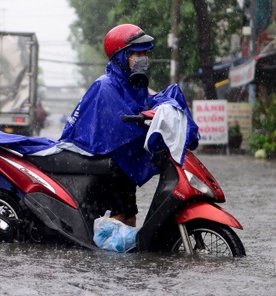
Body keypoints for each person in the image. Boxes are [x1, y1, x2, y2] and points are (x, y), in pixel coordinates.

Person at [59, 24, 199, 226]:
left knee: (130, 216)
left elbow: (145, 105)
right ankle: (108, 257)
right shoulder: (105, 86)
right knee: (118, 216)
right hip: (106, 164)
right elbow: (116, 128)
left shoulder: (134, 84)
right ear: (121, 56)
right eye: (137, 53)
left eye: (144, 53)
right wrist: (143, 120)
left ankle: (128, 256)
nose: (143, 58)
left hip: (124, 165)